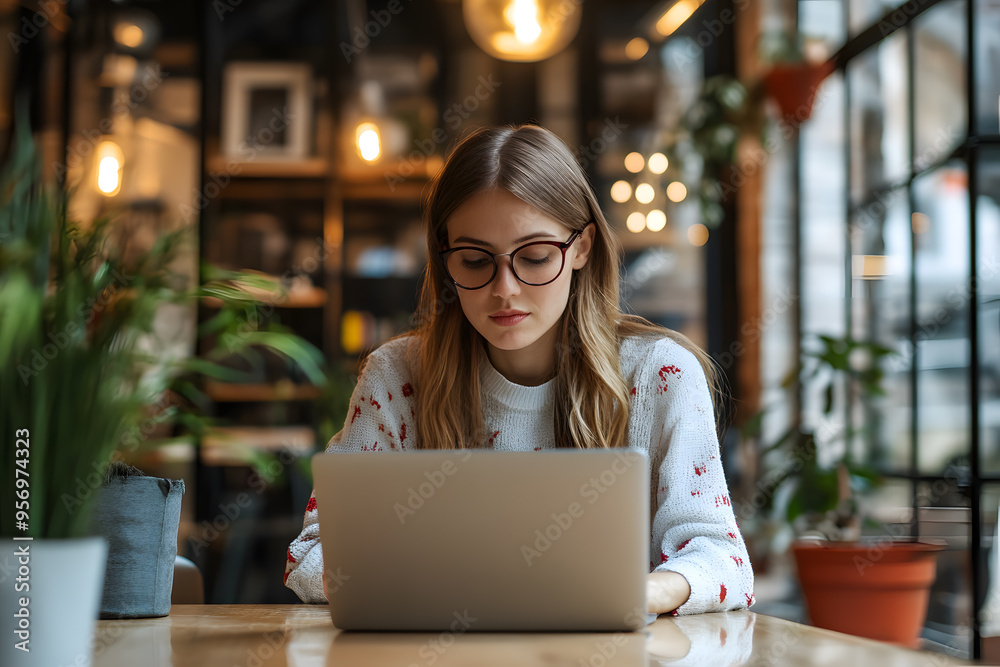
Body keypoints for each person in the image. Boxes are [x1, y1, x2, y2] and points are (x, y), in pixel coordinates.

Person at [283, 124, 754, 615]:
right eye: (473, 260)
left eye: (533, 257)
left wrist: (645, 592)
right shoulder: (396, 377)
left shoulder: (661, 374)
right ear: (444, 259)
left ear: (582, 248)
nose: (504, 288)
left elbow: (723, 560)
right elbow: (314, 555)